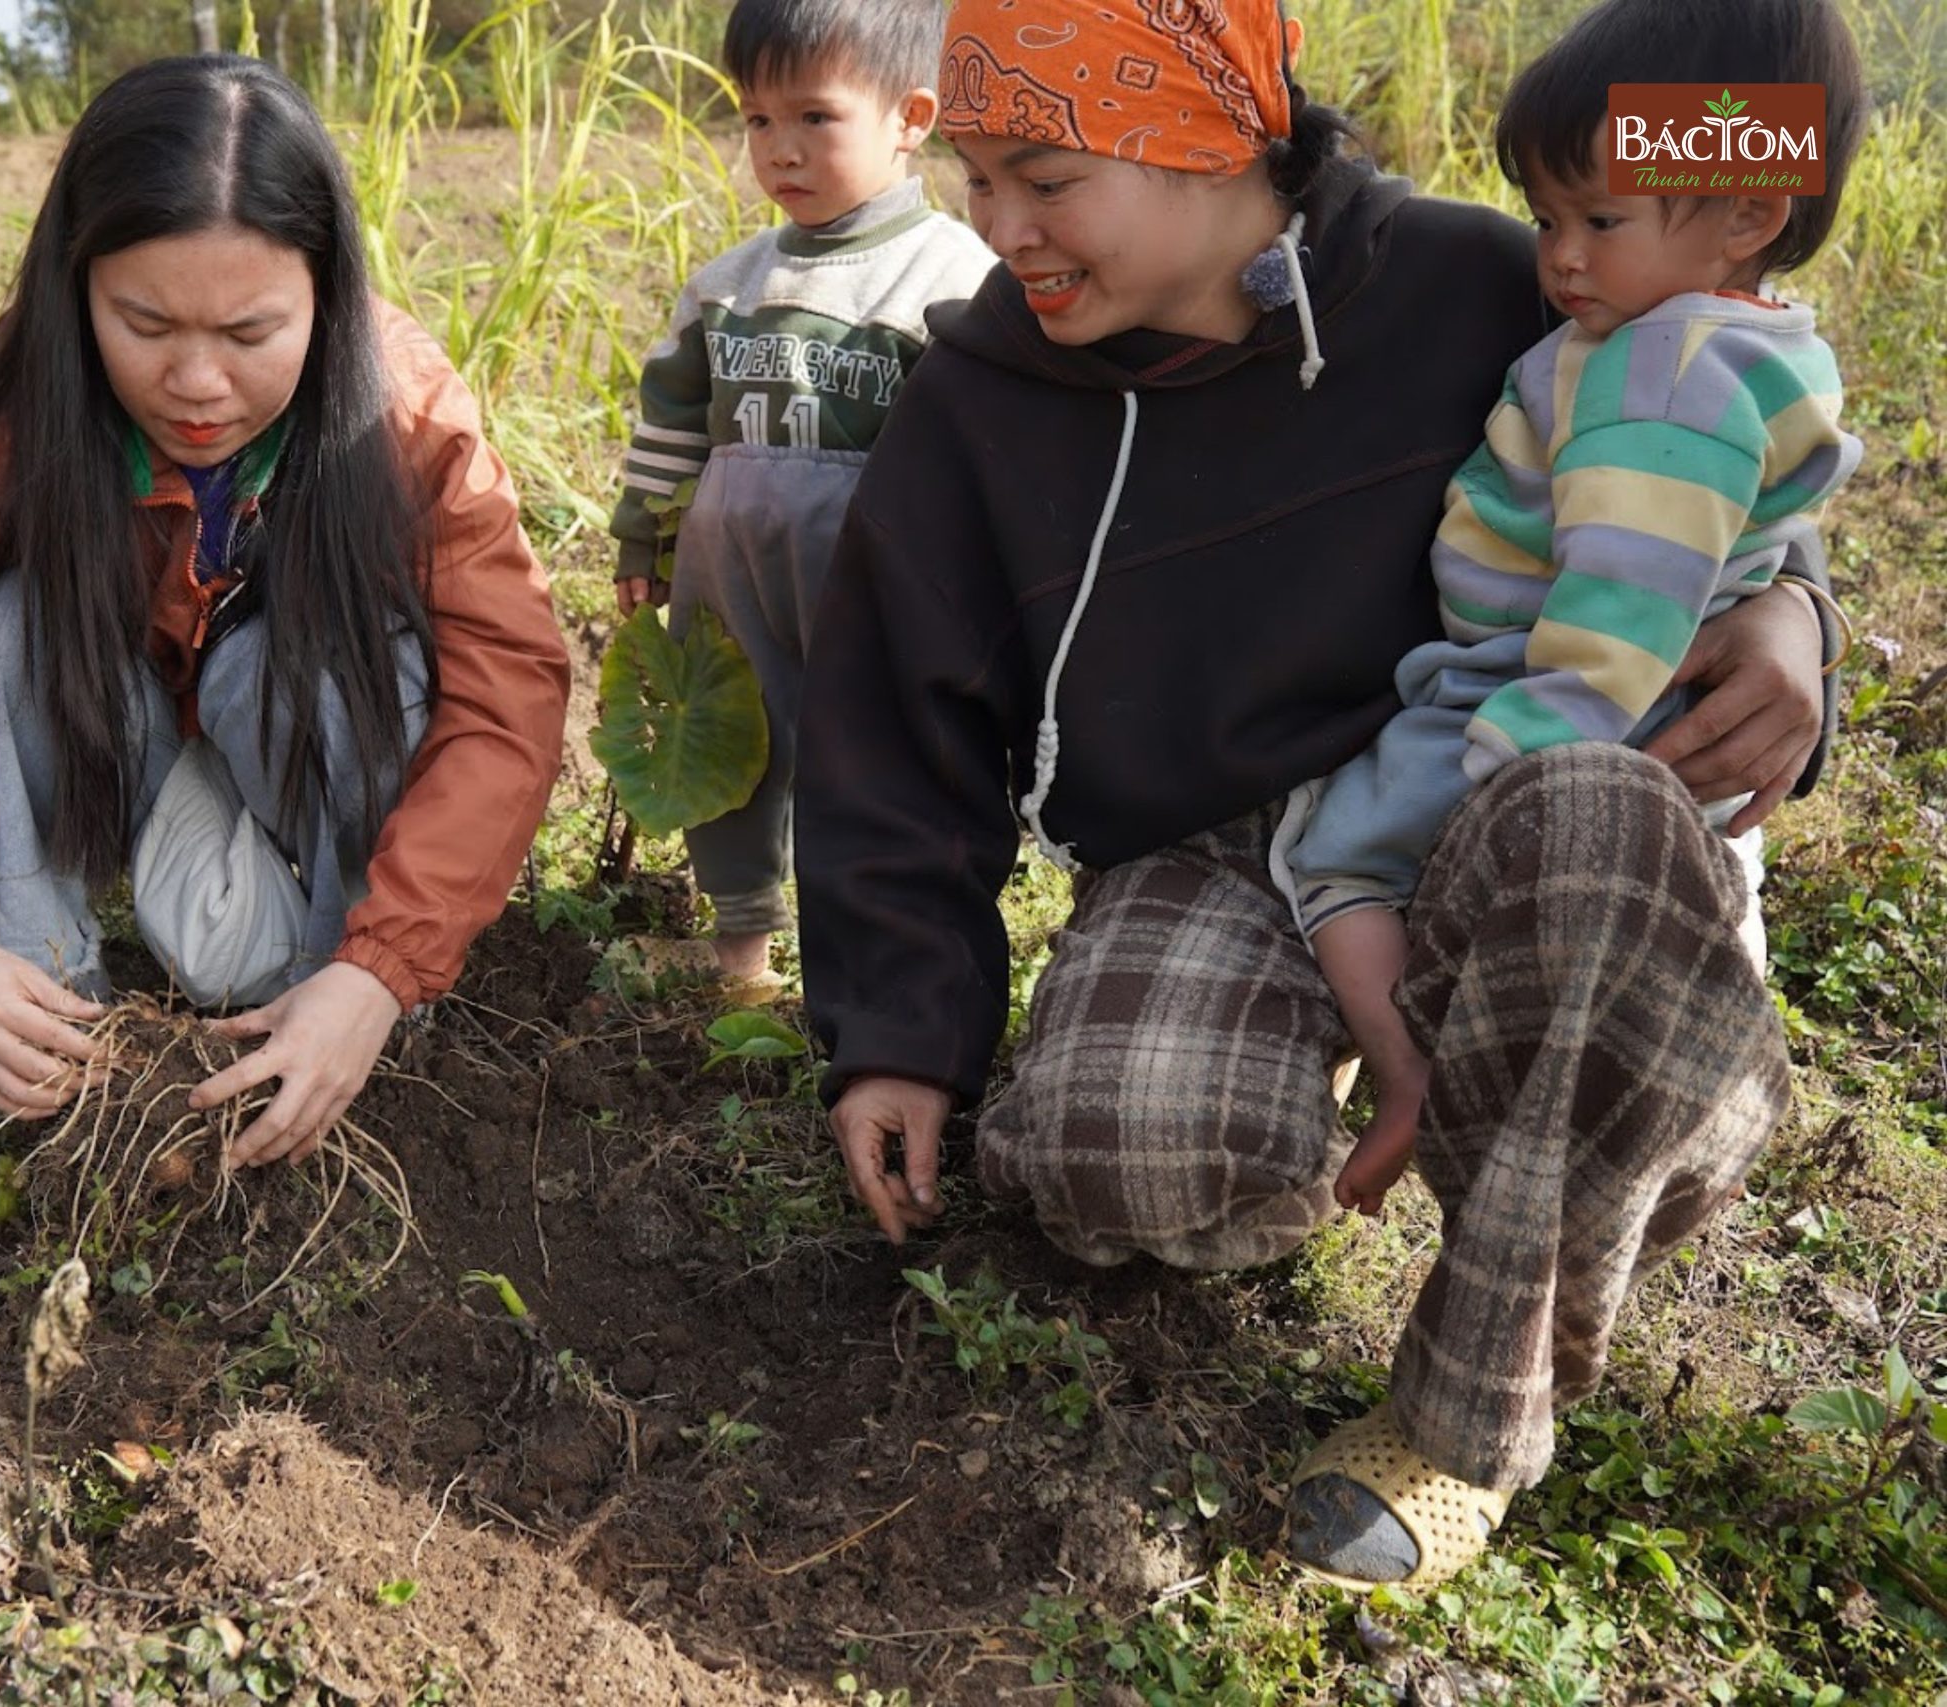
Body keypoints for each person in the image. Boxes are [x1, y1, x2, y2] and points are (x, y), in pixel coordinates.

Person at [794, 0, 1849, 1591]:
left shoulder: (1485, 283)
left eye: (1045, 176)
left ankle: (1464, 1416)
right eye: (972, 175)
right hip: (1232, 848)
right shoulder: (982, 400)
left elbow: (1707, 448)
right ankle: (1372, 1081)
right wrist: (898, 1027)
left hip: (1501, 803)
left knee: (1592, 822)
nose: (995, 227)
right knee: (1119, 1150)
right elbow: (892, 721)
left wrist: (1799, 622)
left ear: (1210, 137)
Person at [0, 56, 571, 1163]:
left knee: (381, 663)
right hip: (122, 756)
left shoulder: (408, 421)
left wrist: (381, 972)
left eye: (247, 335)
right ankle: (36, 1006)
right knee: (1, 636)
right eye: (143, 323)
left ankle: (337, 1013)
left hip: (296, 788)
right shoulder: (6, 418)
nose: (194, 383)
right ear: (74, 284)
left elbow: (505, 701)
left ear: (326, 297)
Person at [1294, 0, 1866, 1222]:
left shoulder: (1655, 374)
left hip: (1545, 696)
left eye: (1597, 219)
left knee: (1333, 857)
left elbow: (1621, 610)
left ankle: (1403, 1080)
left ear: (1750, 211)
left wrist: (1510, 772)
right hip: (1638, 711)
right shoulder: (1735, 342)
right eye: (1548, 218)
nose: (1555, 257)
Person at [608, 0, 992, 988]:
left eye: (815, 118)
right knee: (731, 739)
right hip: (728, 572)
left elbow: (986, 450)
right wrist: (642, 544)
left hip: (873, 583)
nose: (781, 149)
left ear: (909, 120)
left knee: (870, 759)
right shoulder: (727, 284)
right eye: (757, 120)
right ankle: (741, 952)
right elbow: (672, 419)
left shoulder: (949, 279)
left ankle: (867, 959)